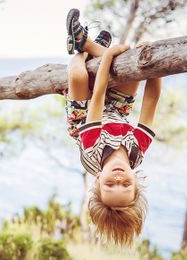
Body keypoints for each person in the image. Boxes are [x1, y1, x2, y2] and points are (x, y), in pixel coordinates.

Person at [65, 8, 162, 245]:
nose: (118, 178)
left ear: (98, 178)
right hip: (118, 112)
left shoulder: (92, 150)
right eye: (126, 184)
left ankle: (84, 47)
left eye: (110, 184)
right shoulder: (137, 151)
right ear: (135, 180)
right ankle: (87, 44)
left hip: (84, 116)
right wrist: (153, 63)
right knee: (133, 69)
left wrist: (108, 57)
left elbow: (97, 97)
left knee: (78, 72)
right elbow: (151, 102)